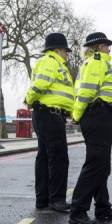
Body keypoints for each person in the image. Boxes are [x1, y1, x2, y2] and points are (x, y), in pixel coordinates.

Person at [69, 32, 112, 224]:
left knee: (102, 166)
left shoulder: (98, 62)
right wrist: (77, 115)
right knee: (95, 165)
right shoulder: (96, 61)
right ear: (99, 47)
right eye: (106, 45)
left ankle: (102, 207)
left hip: (103, 115)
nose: (109, 49)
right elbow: (86, 91)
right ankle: (78, 211)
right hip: (98, 115)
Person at [25, 33, 74, 212]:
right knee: (59, 158)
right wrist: (29, 99)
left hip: (48, 115)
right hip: (49, 115)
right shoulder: (51, 62)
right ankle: (57, 200)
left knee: (45, 157)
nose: (67, 54)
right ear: (57, 50)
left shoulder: (54, 63)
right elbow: (39, 85)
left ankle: (43, 200)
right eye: (65, 51)